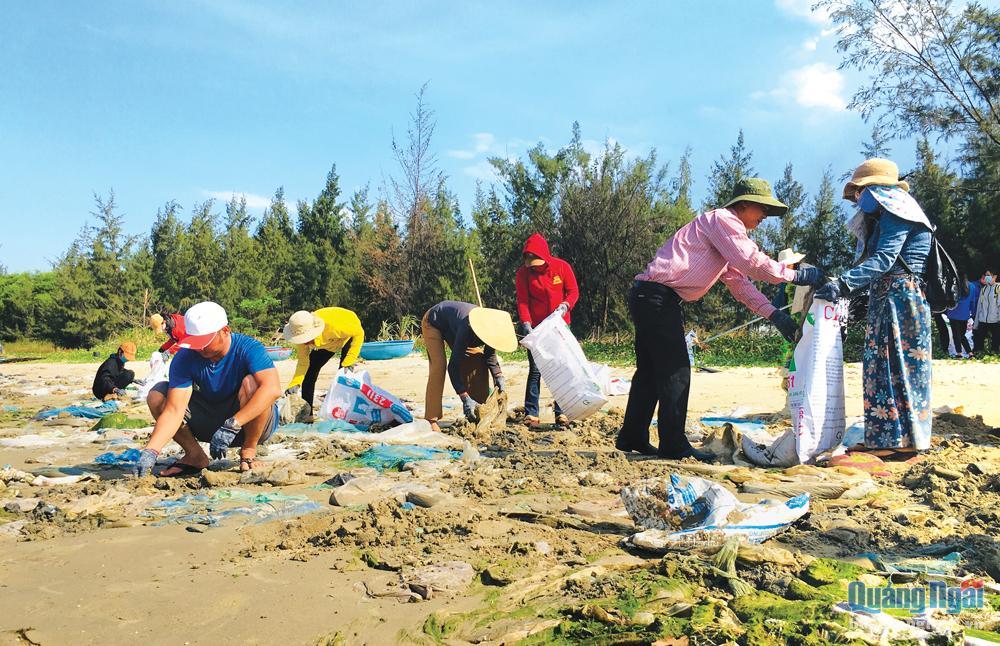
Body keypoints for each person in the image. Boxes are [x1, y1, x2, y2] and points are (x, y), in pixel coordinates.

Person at [616, 178, 825, 460]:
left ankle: (633, 436)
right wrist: (795, 275)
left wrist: (773, 314)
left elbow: (740, 285)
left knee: (651, 373)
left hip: (651, 297)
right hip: (656, 298)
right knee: (676, 371)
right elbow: (751, 262)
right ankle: (673, 445)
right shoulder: (724, 221)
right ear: (745, 204)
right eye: (762, 208)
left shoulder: (723, 237)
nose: (764, 216)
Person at [815, 158, 933, 458]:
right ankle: (883, 437)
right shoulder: (885, 216)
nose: (858, 198)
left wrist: (843, 284)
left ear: (879, 189)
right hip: (886, 297)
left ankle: (900, 441)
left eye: (860, 192)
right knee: (880, 368)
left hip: (901, 299)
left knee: (898, 367)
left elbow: (885, 260)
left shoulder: (898, 212)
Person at [134, 301, 281, 477]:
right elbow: (174, 410)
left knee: (252, 383)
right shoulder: (185, 357)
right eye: (195, 343)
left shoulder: (248, 348)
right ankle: (195, 456)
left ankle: (248, 451)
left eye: (205, 342)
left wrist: (233, 424)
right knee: (156, 394)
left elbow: (273, 389)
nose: (200, 348)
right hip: (209, 423)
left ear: (225, 331)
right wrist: (151, 451)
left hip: (249, 424)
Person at [422, 301, 516, 432]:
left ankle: (479, 409)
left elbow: (489, 356)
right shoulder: (468, 327)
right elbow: (453, 366)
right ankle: (430, 419)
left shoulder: (493, 330)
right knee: (439, 366)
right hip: (434, 322)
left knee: (478, 359)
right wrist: (464, 396)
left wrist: (498, 375)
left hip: (452, 326)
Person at [515, 233, 579, 428]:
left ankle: (562, 412)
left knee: (561, 367)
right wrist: (526, 323)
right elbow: (523, 301)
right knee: (535, 370)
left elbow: (573, 291)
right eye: (530, 263)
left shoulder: (562, 267)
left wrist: (565, 305)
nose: (534, 267)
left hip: (560, 326)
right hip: (537, 329)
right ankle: (531, 412)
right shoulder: (523, 274)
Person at [282, 307, 365, 412]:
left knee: (343, 376)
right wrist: (295, 383)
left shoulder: (336, 326)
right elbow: (303, 363)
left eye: (306, 338)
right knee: (309, 373)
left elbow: (359, 333)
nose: (304, 342)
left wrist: (348, 361)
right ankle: (307, 412)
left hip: (348, 337)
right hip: (326, 344)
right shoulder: (300, 334)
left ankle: (341, 411)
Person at [946, 274, 979, 359]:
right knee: (962, 335)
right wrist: (972, 312)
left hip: (953, 312)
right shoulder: (972, 286)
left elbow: (948, 297)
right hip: (965, 314)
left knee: (956, 334)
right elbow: (973, 301)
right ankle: (970, 353)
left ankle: (959, 353)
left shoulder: (953, 285)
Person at [974, 269, 1000, 355]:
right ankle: (979, 351)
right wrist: (976, 322)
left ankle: (994, 351)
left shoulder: (998, 288)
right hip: (983, 319)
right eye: (986, 275)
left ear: (995, 276)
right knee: (980, 337)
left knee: (996, 337)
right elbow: (979, 306)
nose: (987, 277)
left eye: (989, 275)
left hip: (995, 319)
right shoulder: (983, 289)